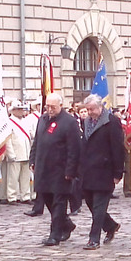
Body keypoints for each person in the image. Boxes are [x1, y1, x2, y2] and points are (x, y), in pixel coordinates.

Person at [30, 93, 80, 246]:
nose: (49, 110)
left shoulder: (69, 122)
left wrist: (70, 170)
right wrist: (32, 160)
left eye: (53, 107)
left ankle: (55, 234)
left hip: (60, 170)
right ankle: (66, 224)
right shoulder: (43, 119)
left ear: (61, 105)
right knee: (48, 200)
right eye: (47, 106)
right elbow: (37, 142)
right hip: (43, 168)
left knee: (59, 203)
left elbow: (74, 149)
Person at [78, 94, 125, 249]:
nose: (89, 112)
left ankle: (94, 239)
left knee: (99, 206)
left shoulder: (112, 122)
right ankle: (110, 225)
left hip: (105, 171)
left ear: (100, 107)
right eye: (87, 109)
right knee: (91, 204)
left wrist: (118, 173)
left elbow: (118, 148)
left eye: (92, 109)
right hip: (88, 171)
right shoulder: (86, 122)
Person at [5, 100, 36, 204]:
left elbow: (31, 134)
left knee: (25, 177)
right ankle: (12, 196)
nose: (21, 111)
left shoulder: (26, 121)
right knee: (13, 177)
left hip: (26, 152)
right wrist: (11, 154)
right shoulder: (9, 122)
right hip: (15, 152)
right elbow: (8, 140)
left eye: (22, 109)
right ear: (13, 110)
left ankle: (25, 196)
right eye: (18, 109)